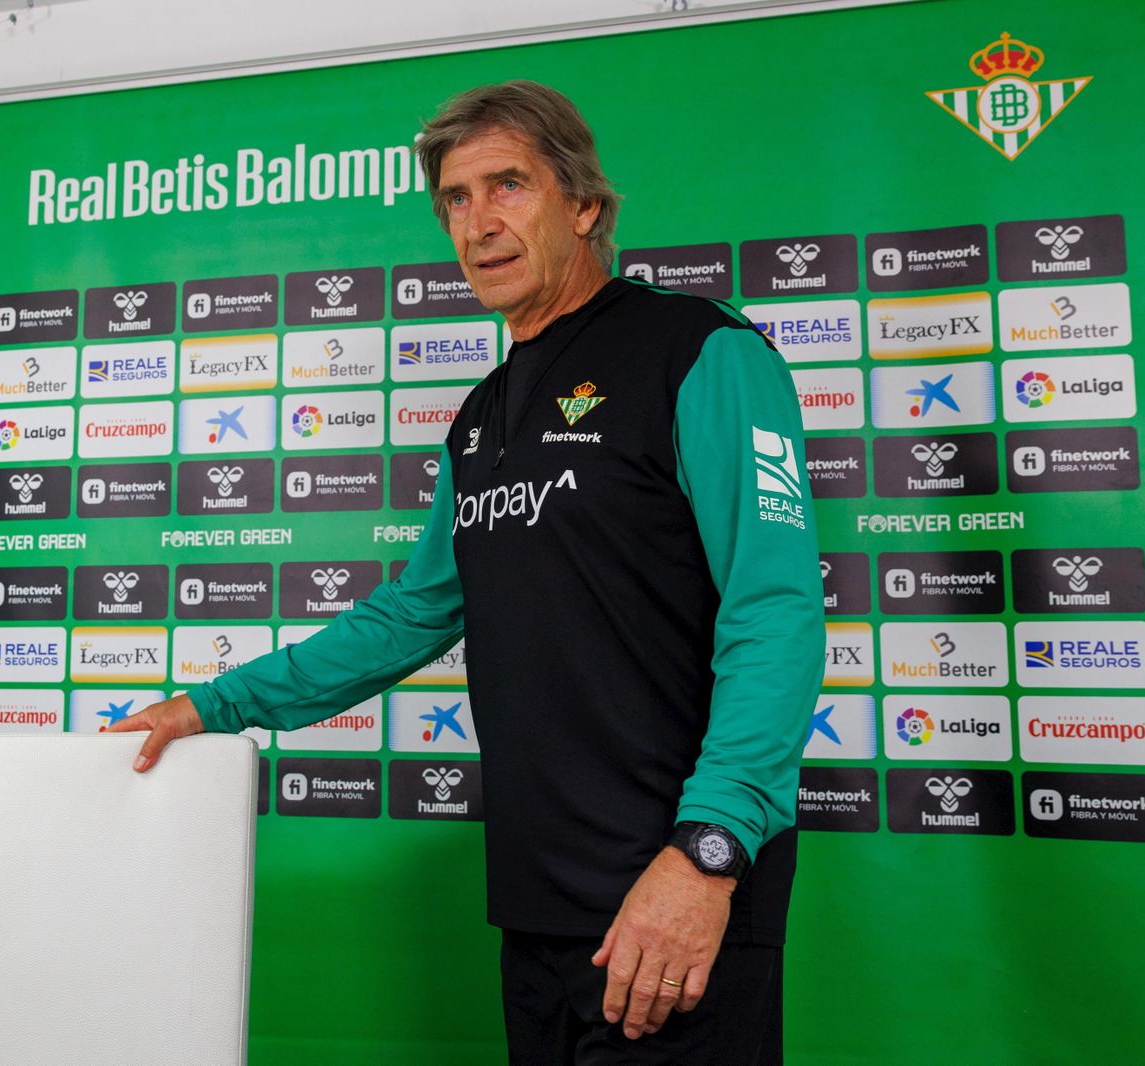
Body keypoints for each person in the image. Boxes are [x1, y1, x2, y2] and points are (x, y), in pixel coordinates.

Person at [111, 80, 824, 1064]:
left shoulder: (700, 352)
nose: (478, 224)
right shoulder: (482, 412)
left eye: (508, 186)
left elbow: (774, 608)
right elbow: (411, 614)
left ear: (584, 206)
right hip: (536, 904)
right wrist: (209, 705)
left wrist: (707, 853)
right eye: (454, 198)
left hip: (670, 892)